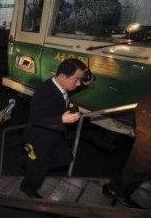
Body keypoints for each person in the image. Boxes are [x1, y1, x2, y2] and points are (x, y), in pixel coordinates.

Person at [20, 58, 87, 198]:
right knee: (38, 169)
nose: (79, 83)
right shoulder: (43, 92)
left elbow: (73, 87)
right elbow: (36, 118)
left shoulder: (63, 86)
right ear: (63, 76)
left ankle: (29, 162)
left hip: (54, 136)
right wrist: (62, 119)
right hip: (39, 139)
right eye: (77, 79)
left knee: (66, 158)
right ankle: (28, 188)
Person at [102, 78, 151, 207]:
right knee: (143, 162)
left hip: (150, 117)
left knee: (142, 161)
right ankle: (118, 191)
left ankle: (117, 189)